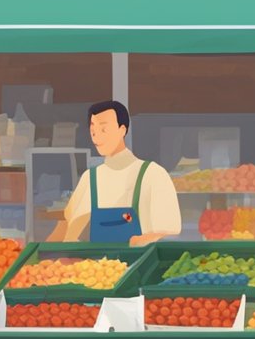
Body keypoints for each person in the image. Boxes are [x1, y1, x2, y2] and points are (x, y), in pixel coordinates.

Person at [62, 100, 181, 246]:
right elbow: (70, 231)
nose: (97, 137)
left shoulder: (153, 174)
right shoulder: (90, 178)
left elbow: (171, 233)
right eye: (93, 131)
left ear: (122, 130)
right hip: (100, 267)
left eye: (104, 130)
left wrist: (141, 241)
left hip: (142, 265)